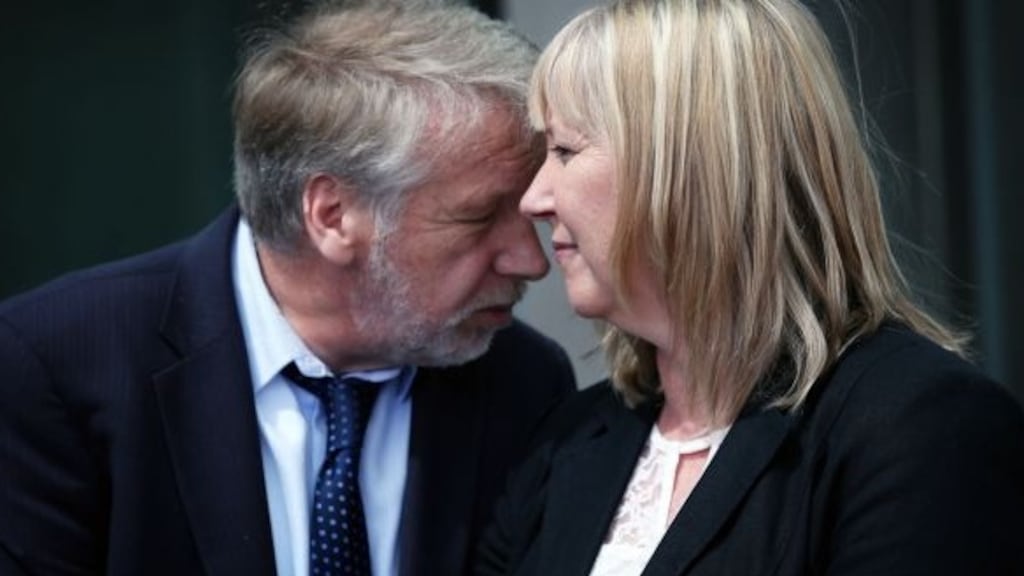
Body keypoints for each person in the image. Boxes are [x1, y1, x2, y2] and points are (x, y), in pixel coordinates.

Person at [0, 2, 577, 576]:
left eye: (532, 212)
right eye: (478, 218)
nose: (532, 261)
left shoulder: (525, 384)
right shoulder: (58, 368)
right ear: (332, 216)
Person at [476, 0, 1024, 574]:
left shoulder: (915, 427)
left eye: (565, 150)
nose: (534, 199)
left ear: (694, 169)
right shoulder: (566, 442)